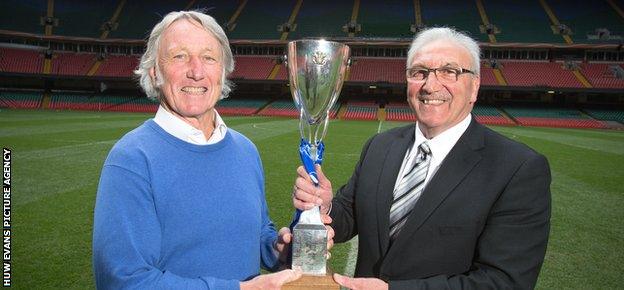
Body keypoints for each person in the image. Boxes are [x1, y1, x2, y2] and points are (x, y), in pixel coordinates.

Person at [293, 27, 551, 289]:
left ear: (474, 87)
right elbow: (351, 214)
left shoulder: (518, 169)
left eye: (450, 71)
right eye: (419, 73)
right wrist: (325, 208)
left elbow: (505, 282)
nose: (430, 85)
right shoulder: (380, 146)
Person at [93, 11, 307, 290]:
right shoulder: (131, 158)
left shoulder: (245, 150)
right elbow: (124, 281)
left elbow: (256, 233)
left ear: (223, 70)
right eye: (179, 56)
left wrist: (278, 248)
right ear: (155, 71)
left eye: (208, 57)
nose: (196, 71)